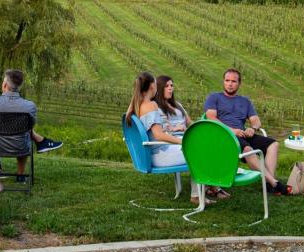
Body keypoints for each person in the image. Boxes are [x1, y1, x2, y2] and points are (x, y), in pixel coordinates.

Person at [204, 68, 291, 195]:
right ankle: (275, 183)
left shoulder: (245, 101)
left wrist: (253, 128)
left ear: (239, 83)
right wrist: (232, 130)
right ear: (223, 82)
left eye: (233, 81)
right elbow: (211, 118)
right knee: (248, 150)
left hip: (242, 134)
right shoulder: (214, 97)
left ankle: (268, 183)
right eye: (227, 80)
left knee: (274, 144)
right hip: (223, 135)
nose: (230, 84)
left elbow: (256, 120)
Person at [124, 72, 202, 205]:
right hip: (160, 154)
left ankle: (205, 190)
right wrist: (182, 141)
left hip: (154, 153)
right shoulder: (150, 105)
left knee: (198, 148)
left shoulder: (139, 105)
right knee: (198, 152)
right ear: (152, 86)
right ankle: (197, 196)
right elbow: (158, 135)